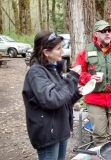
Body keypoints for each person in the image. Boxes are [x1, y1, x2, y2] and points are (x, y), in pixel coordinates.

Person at [22, 31, 83, 160]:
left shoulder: (54, 69)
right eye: (58, 48)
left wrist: (77, 93)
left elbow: (62, 98)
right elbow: (51, 100)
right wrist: (72, 77)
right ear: (46, 52)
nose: (62, 51)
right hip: (48, 133)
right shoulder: (36, 73)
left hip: (60, 129)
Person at [73, 20, 111, 146]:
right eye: (103, 31)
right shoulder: (86, 51)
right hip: (95, 99)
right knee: (99, 136)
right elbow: (77, 73)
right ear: (96, 34)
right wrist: (90, 78)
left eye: (109, 31)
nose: (107, 33)